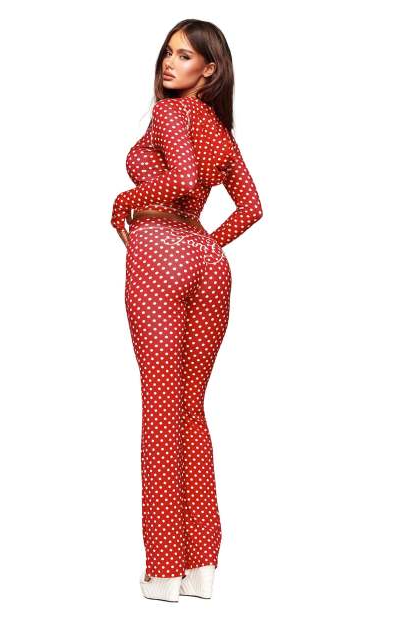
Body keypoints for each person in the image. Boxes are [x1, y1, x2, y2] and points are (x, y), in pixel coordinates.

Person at [111, 19, 263, 602]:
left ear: (210, 69)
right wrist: (207, 245)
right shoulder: (222, 133)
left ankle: (164, 570)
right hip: (207, 263)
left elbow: (181, 178)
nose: (169, 64)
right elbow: (250, 207)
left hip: (157, 253)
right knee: (189, 409)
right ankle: (202, 565)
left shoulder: (171, 113)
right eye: (168, 53)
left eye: (184, 56)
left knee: (160, 411)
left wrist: (124, 199)